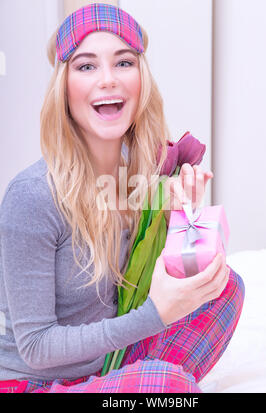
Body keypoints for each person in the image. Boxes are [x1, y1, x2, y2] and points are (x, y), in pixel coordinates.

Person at [0, 3, 244, 393]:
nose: (108, 79)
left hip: (110, 363)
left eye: (124, 63)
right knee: (164, 385)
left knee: (223, 287)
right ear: (64, 86)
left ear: (141, 80)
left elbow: (143, 285)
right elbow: (35, 347)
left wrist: (177, 219)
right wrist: (155, 317)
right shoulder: (31, 197)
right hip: (37, 383)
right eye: (86, 66)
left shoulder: (139, 175)